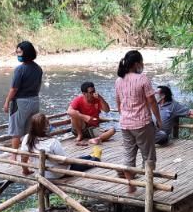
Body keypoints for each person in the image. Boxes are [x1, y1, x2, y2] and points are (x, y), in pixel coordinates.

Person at [115, 50, 161, 193]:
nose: (142, 65)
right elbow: (152, 101)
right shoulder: (142, 79)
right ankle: (148, 185)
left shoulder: (118, 80)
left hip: (125, 124)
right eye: (141, 62)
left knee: (129, 155)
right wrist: (158, 119)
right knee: (148, 155)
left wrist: (124, 116)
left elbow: (118, 102)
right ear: (136, 64)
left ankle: (130, 185)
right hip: (142, 123)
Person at [20, 113, 102, 179]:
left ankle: (89, 156)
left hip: (41, 172)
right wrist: (72, 161)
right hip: (58, 173)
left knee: (81, 159)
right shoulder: (52, 142)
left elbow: (23, 157)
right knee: (90, 162)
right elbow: (63, 161)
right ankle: (96, 157)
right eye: (48, 124)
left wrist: (25, 171)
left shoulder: (27, 138)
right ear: (45, 127)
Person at [3, 41, 43, 159]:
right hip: (35, 100)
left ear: (26, 53)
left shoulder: (20, 69)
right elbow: (38, 85)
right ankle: (28, 154)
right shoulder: (38, 68)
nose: (17, 54)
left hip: (20, 102)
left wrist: (6, 102)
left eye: (19, 52)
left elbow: (14, 89)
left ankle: (13, 156)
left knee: (16, 129)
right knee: (30, 129)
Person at [67, 81, 116, 146]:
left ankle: (96, 139)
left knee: (112, 130)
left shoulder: (97, 99)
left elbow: (107, 110)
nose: (93, 94)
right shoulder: (78, 100)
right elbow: (69, 111)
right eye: (91, 92)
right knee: (74, 114)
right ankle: (80, 134)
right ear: (84, 93)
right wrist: (85, 117)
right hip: (81, 128)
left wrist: (101, 98)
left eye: (94, 91)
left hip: (93, 128)